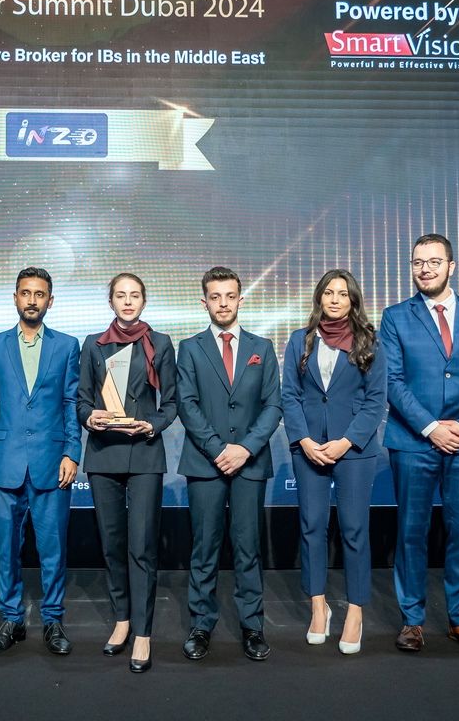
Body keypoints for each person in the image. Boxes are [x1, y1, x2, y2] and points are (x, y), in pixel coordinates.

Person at [380, 233, 459, 654]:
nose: (425, 269)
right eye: (418, 262)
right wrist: (431, 427)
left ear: (451, 266)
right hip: (412, 441)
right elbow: (392, 381)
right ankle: (412, 621)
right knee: (411, 532)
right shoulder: (395, 317)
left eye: (434, 261)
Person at [177, 266, 282, 662]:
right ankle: (201, 625)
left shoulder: (262, 347)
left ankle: (252, 626)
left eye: (230, 296)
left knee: (247, 547)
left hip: (249, 464)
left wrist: (245, 449)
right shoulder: (190, 348)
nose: (223, 303)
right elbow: (187, 404)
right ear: (204, 302)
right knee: (204, 548)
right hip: (205, 462)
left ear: (241, 299)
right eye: (215, 297)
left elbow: (273, 405)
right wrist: (219, 449)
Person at [280, 269, 386, 655]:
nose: (335, 299)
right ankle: (318, 607)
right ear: (320, 298)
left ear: (353, 300)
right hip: (308, 447)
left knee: (354, 530)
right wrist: (305, 440)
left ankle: (355, 612)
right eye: (329, 292)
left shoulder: (369, 341)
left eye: (343, 293)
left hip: (353, 450)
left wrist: (345, 442)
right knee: (312, 527)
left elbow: (376, 400)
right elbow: (289, 395)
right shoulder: (300, 340)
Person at [78, 273, 178, 673]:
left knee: (142, 545)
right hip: (103, 455)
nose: (128, 301)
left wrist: (151, 425)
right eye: (121, 295)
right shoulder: (93, 344)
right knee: (112, 544)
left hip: (144, 454)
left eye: (135, 295)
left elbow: (171, 403)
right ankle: (121, 619)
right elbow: (81, 400)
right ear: (111, 302)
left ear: (144, 301)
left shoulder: (161, 343)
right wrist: (90, 417)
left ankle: (142, 631)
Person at [0, 267, 81, 657]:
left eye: (40, 294)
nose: (32, 300)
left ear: (50, 301)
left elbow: (70, 403)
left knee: (53, 550)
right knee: (6, 550)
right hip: (4, 463)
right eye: (26, 293)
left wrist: (72, 452)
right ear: (15, 298)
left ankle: (53, 620)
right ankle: (11, 619)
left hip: (51, 463)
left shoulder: (67, 345)